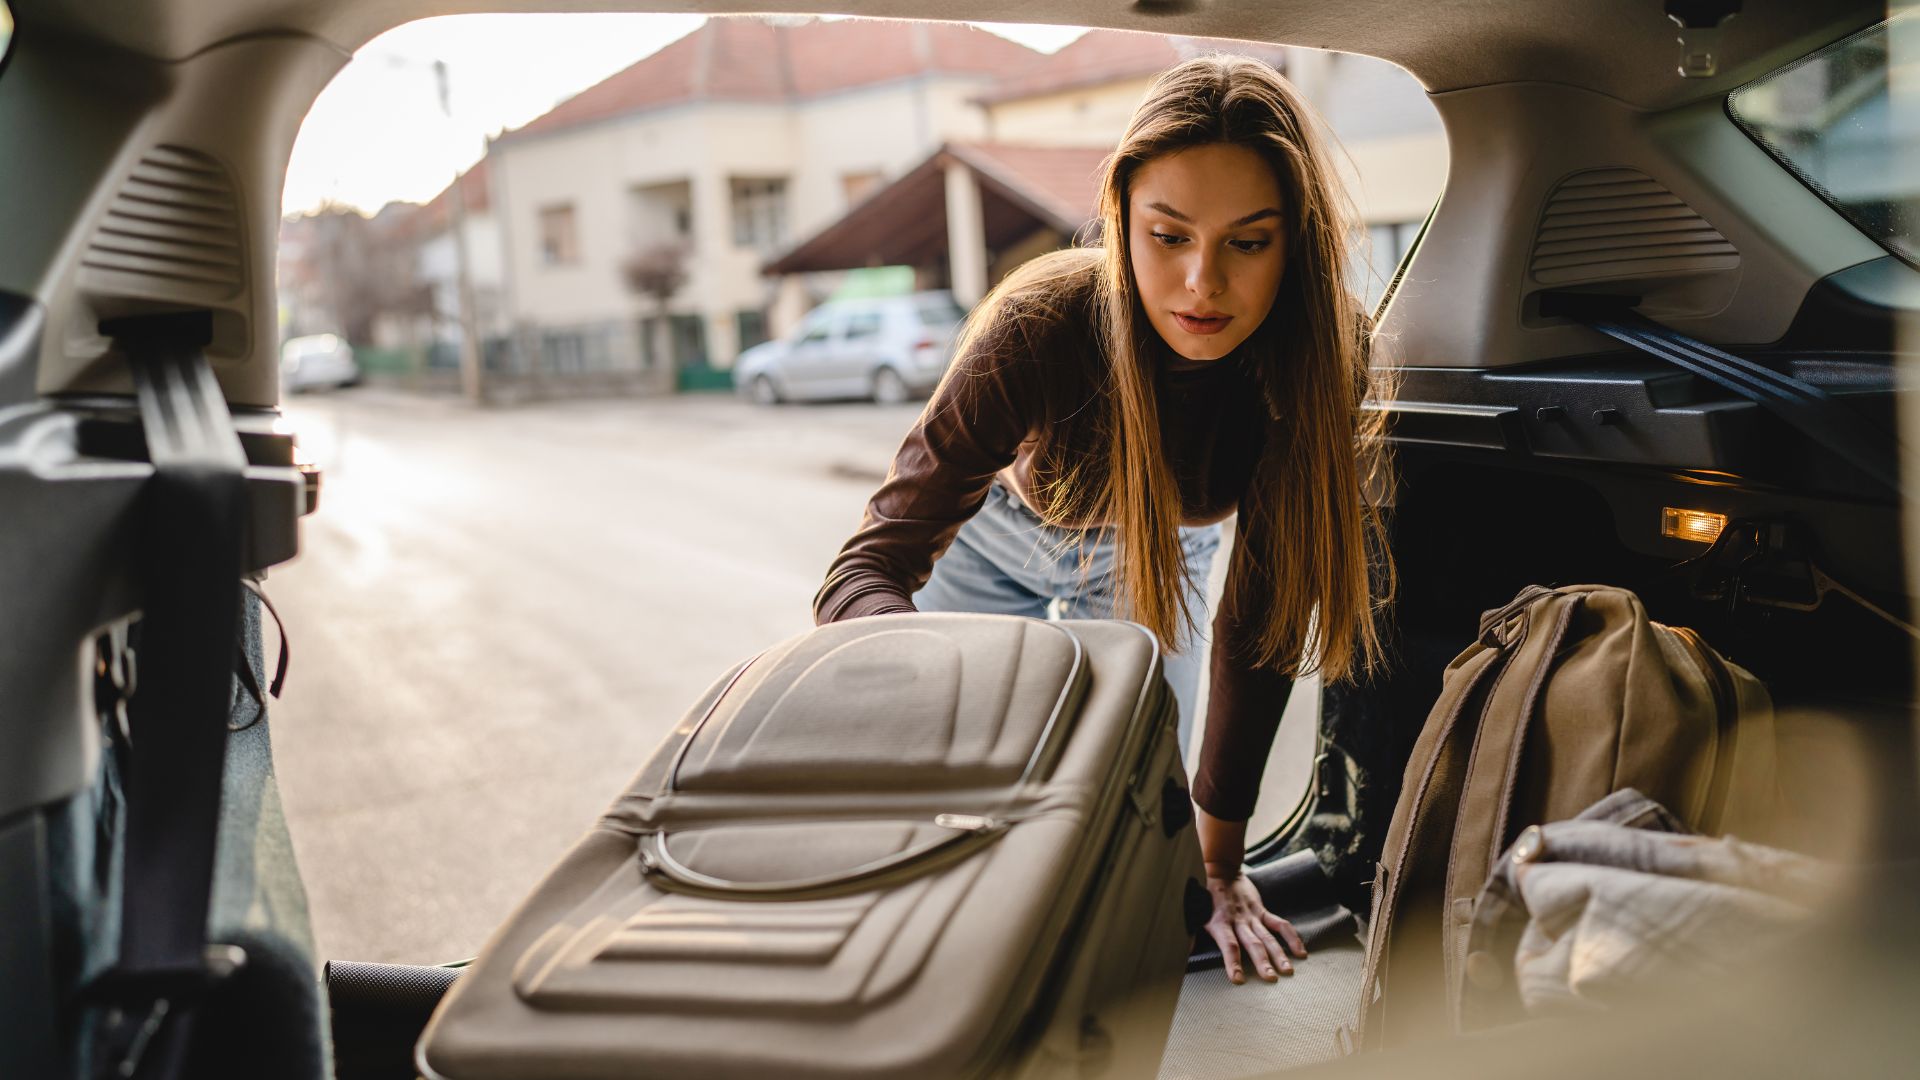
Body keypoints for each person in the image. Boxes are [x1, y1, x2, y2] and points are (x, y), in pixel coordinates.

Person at [813, 55, 1394, 986]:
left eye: (1248, 243)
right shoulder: (1041, 322)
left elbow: (1263, 614)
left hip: (1158, 552)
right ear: (1121, 218)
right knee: (966, 780)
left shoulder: (1325, 352)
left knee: (1136, 800)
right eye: (1168, 235)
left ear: (1297, 244)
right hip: (991, 535)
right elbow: (866, 567)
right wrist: (924, 697)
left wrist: (1217, 862)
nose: (1201, 282)